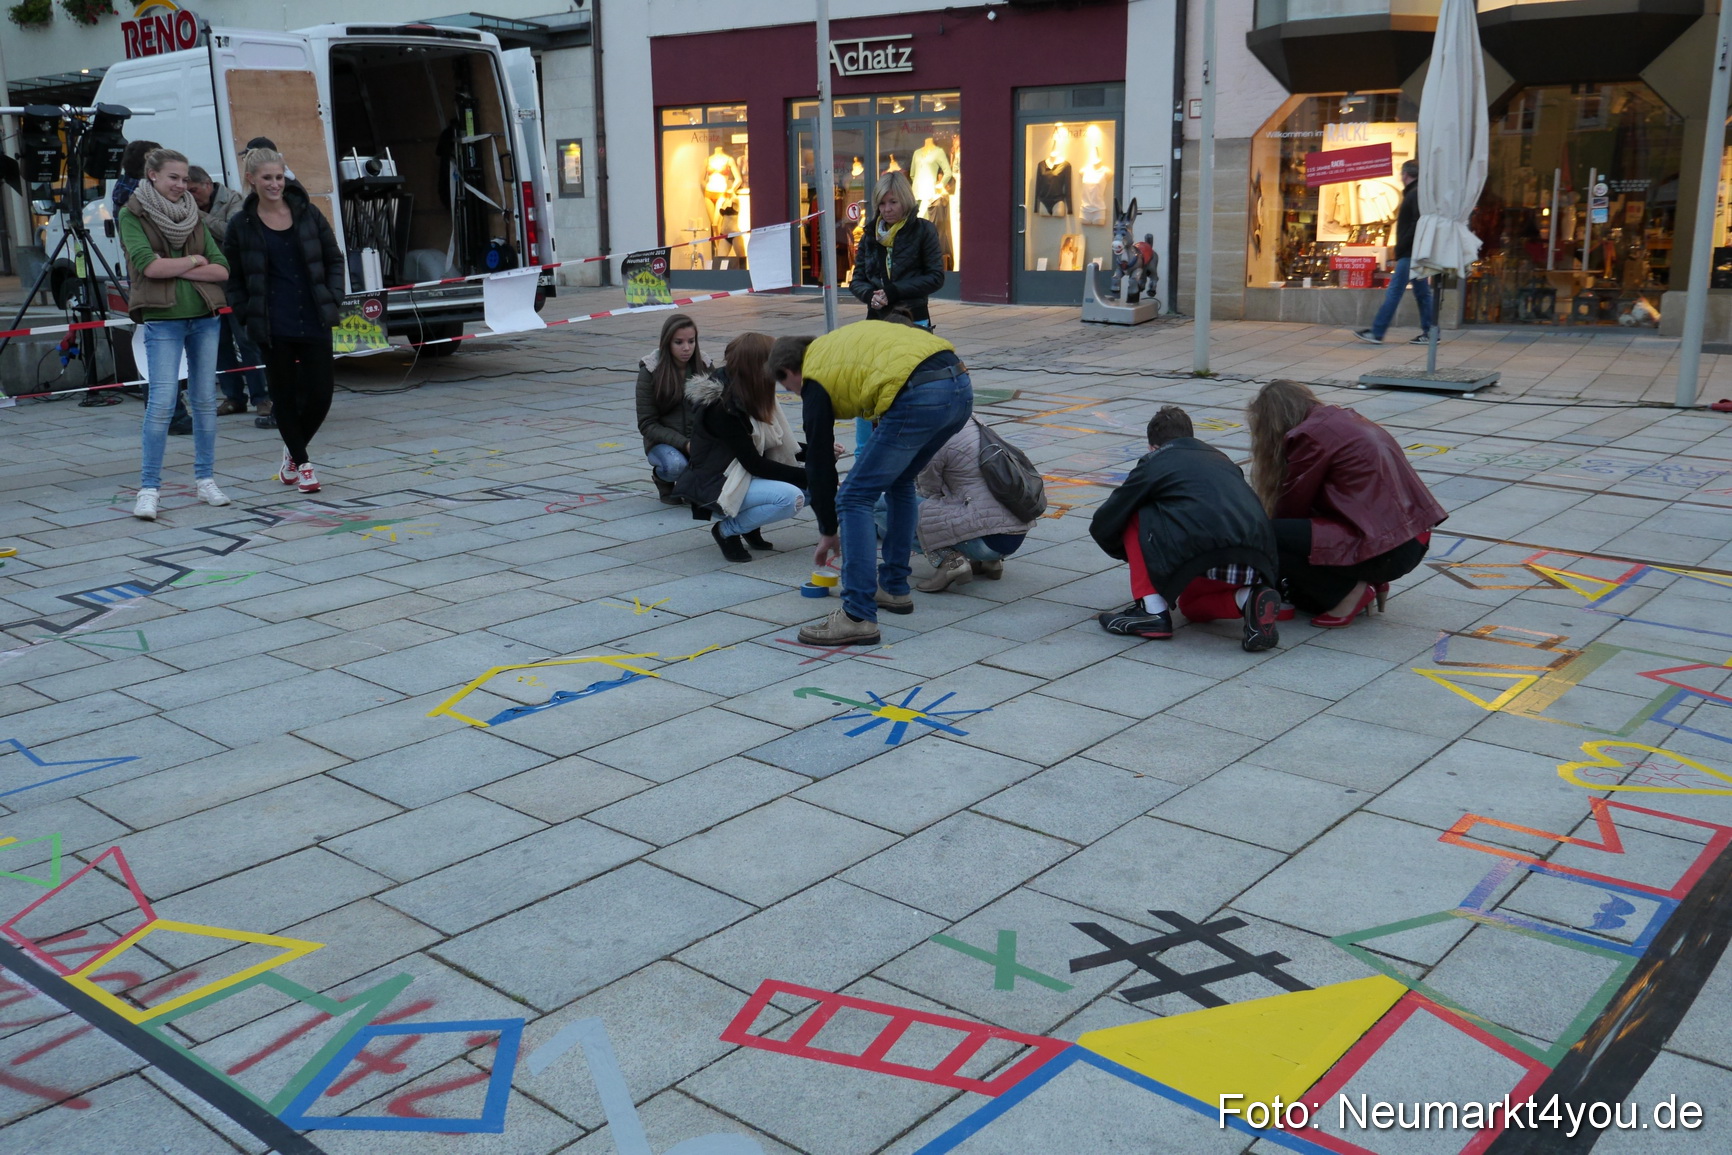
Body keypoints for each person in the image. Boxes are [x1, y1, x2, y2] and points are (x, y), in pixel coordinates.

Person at [770, 319, 972, 646]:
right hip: (960, 386)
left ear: (789, 371)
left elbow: (819, 460)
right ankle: (893, 588)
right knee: (901, 479)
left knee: (853, 498)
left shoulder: (815, 375)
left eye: (788, 387)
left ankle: (857, 614)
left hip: (920, 392)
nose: (795, 393)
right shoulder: (840, 349)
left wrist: (827, 529)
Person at [1246, 379, 1447, 627]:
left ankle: (1348, 592)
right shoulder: (1345, 419)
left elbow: (1290, 507)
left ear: (1273, 421)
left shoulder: (1309, 435)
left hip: (1384, 548)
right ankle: (1368, 581)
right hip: (1409, 539)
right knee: (1292, 536)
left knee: (1265, 534)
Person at [1090, 407, 1282, 652]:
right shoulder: (1222, 459)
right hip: (1256, 557)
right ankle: (1249, 598)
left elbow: (1107, 518)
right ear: (1191, 436)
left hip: (1200, 548)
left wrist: (1128, 552)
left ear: (1152, 447)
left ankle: (1151, 611)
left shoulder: (1155, 462)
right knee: (1191, 607)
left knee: (1135, 511)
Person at [118, 147, 233, 520]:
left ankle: (206, 480)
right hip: (162, 318)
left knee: (203, 400)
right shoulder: (132, 212)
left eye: (185, 179)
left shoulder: (193, 215)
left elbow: (221, 269)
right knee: (163, 403)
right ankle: (148, 489)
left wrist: (177, 267)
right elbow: (148, 266)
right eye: (173, 178)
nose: (181, 185)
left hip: (205, 315)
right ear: (153, 175)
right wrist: (193, 261)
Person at [222, 147, 345, 495]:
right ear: (251, 180)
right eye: (267, 178)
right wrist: (246, 313)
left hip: (314, 315)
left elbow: (334, 259)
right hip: (273, 323)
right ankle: (304, 464)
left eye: (278, 177)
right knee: (284, 396)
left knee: (321, 395)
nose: (275, 184)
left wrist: (333, 296)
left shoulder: (307, 213)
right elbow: (234, 278)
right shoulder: (241, 224)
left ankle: (291, 452)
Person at [675, 332, 808, 562]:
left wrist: (821, 452)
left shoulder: (753, 392)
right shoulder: (722, 406)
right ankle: (727, 530)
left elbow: (775, 443)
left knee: (813, 488)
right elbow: (754, 463)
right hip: (719, 482)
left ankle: (750, 525)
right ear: (758, 367)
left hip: (744, 473)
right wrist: (811, 475)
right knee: (791, 498)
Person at [909, 419, 1040, 592]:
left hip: (987, 541)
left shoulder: (934, 437)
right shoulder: (975, 423)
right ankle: (990, 563)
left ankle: (949, 560)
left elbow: (927, 492)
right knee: (973, 496)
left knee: (887, 507)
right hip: (1014, 533)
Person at [188, 165, 270, 422]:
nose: (190, 196)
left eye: (194, 190)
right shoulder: (189, 206)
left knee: (247, 341)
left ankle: (262, 396)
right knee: (218, 342)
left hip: (237, 282)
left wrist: (200, 216)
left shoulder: (235, 201)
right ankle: (233, 397)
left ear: (208, 185)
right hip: (208, 285)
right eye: (187, 192)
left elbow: (231, 232)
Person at [849, 171, 945, 329]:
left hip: (913, 317)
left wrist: (893, 291)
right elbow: (857, 280)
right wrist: (870, 296)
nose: (887, 209)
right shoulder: (870, 234)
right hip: (877, 318)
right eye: (882, 203)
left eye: (893, 202)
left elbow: (935, 277)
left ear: (905, 201)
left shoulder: (923, 230)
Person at [1355, 161, 1434, 346]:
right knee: (1422, 294)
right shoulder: (1417, 193)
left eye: (1401, 174)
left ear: (1405, 174)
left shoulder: (1414, 194)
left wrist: (1400, 246)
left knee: (1394, 292)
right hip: (1415, 252)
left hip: (1410, 253)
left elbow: (1417, 223)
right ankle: (1430, 332)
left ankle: (1377, 332)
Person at [635, 312, 709, 505]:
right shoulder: (650, 371)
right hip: (664, 442)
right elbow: (647, 424)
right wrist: (684, 444)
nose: (687, 348)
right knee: (675, 466)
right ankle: (664, 481)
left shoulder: (704, 366)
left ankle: (692, 483)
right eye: (679, 342)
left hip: (698, 439)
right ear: (667, 343)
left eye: (691, 341)